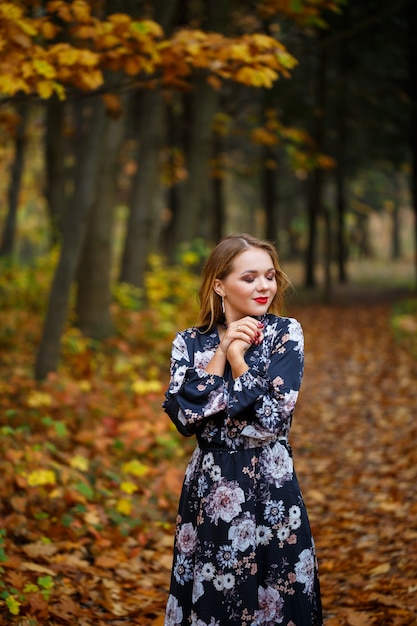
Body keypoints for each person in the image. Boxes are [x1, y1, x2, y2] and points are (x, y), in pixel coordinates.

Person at [162, 234, 322, 626]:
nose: (264, 286)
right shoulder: (189, 342)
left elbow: (270, 418)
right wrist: (221, 352)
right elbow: (185, 420)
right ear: (220, 285)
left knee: (278, 595)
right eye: (249, 277)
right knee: (214, 596)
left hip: (271, 479)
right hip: (211, 483)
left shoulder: (286, 334)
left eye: (269, 276)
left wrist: (236, 361)